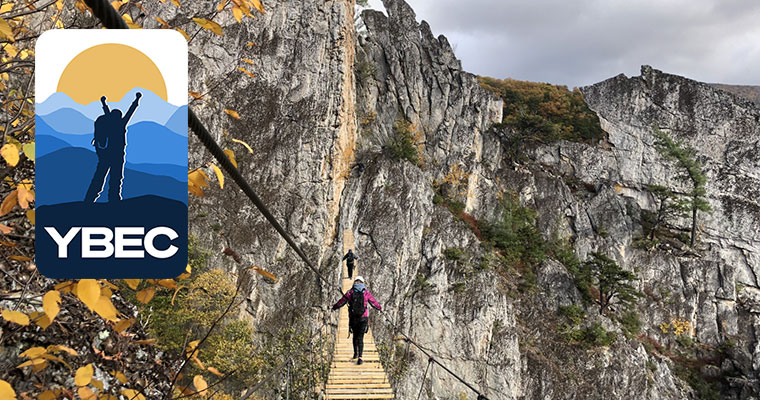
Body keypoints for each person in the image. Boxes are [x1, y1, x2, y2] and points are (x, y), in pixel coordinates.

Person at [84, 92, 141, 203]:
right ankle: (114, 199)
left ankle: (89, 199)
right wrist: (137, 100)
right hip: (117, 156)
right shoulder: (121, 123)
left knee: (99, 177)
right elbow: (131, 111)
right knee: (116, 178)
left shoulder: (109, 122)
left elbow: (106, 111)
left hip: (104, 155)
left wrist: (103, 102)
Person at [332, 276, 382, 365]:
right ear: (363, 283)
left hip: (353, 318)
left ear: (354, 282)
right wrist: (380, 308)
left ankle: (355, 353)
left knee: (355, 336)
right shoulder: (366, 292)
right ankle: (360, 357)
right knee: (361, 338)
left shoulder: (350, 292)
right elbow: (373, 302)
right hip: (363, 318)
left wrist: (334, 307)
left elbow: (342, 302)